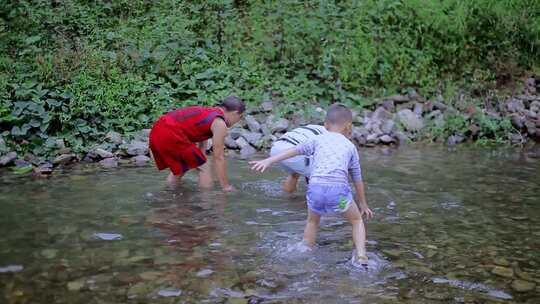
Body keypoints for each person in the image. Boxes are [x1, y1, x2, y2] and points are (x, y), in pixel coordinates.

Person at [250, 104, 373, 265]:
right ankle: (362, 257)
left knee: (312, 221)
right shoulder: (350, 146)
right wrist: (363, 203)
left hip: (315, 190)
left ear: (325, 125)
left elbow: (294, 150)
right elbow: (357, 177)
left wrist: (269, 160)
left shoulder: (317, 139)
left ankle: (305, 251)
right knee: (356, 221)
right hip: (339, 194)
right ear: (349, 127)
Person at [149, 96, 245, 191]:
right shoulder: (220, 123)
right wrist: (226, 186)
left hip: (157, 131)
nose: (237, 121)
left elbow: (201, 137)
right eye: (240, 117)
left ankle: (169, 193)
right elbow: (219, 157)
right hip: (169, 133)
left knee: (184, 166)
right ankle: (206, 200)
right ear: (235, 113)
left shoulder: (209, 112)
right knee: (205, 166)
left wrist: (200, 158)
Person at [270, 124, 327, 193]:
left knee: (295, 174)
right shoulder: (334, 135)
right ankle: (310, 202)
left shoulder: (315, 127)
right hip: (292, 148)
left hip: (276, 148)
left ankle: (289, 198)